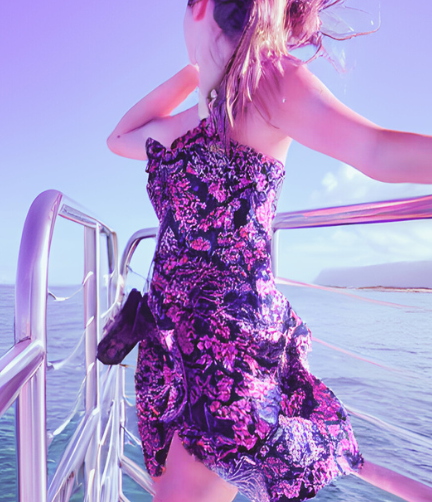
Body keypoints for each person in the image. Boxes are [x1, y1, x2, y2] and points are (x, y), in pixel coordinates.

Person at [107, 0, 432, 500]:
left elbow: (375, 151)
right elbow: (120, 139)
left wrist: (201, 64)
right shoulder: (197, 119)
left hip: (224, 353)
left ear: (200, 7)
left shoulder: (267, 81)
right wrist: (199, 70)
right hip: (172, 343)